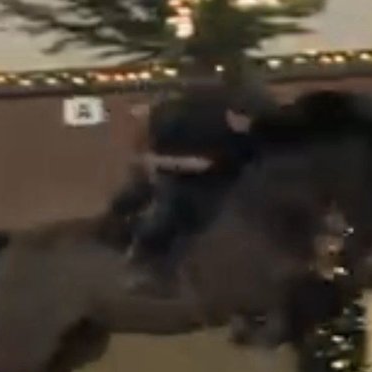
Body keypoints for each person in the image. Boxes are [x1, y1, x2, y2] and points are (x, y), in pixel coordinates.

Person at [101, 67, 279, 286]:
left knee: (170, 218)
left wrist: (157, 162)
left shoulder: (238, 129)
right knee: (163, 219)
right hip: (201, 184)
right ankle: (148, 266)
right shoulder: (189, 117)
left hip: (217, 186)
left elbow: (207, 162)